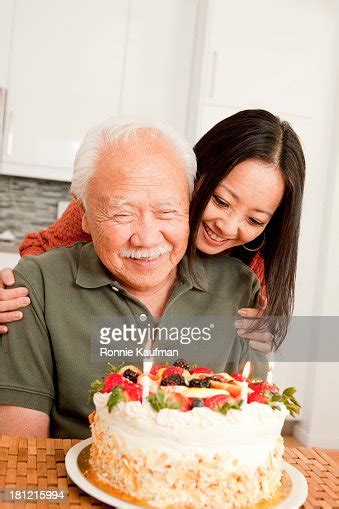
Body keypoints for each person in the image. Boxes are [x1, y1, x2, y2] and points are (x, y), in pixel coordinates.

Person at [0, 121, 266, 438]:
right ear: (82, 210)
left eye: (167, 211)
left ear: (188, 205)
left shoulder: (241, 288)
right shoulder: (37, 285)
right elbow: (21, 456)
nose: (146, 238)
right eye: (122, 214)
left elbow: (252, 430)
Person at [0, 110, 305, 350]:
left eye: (254, 220)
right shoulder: (115, 203)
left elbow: (256, 338)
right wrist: (12, 292)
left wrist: (267, 332)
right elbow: (41, 251)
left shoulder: (253, 269)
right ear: (197, 174)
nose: (227, 226)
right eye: (221, 201)